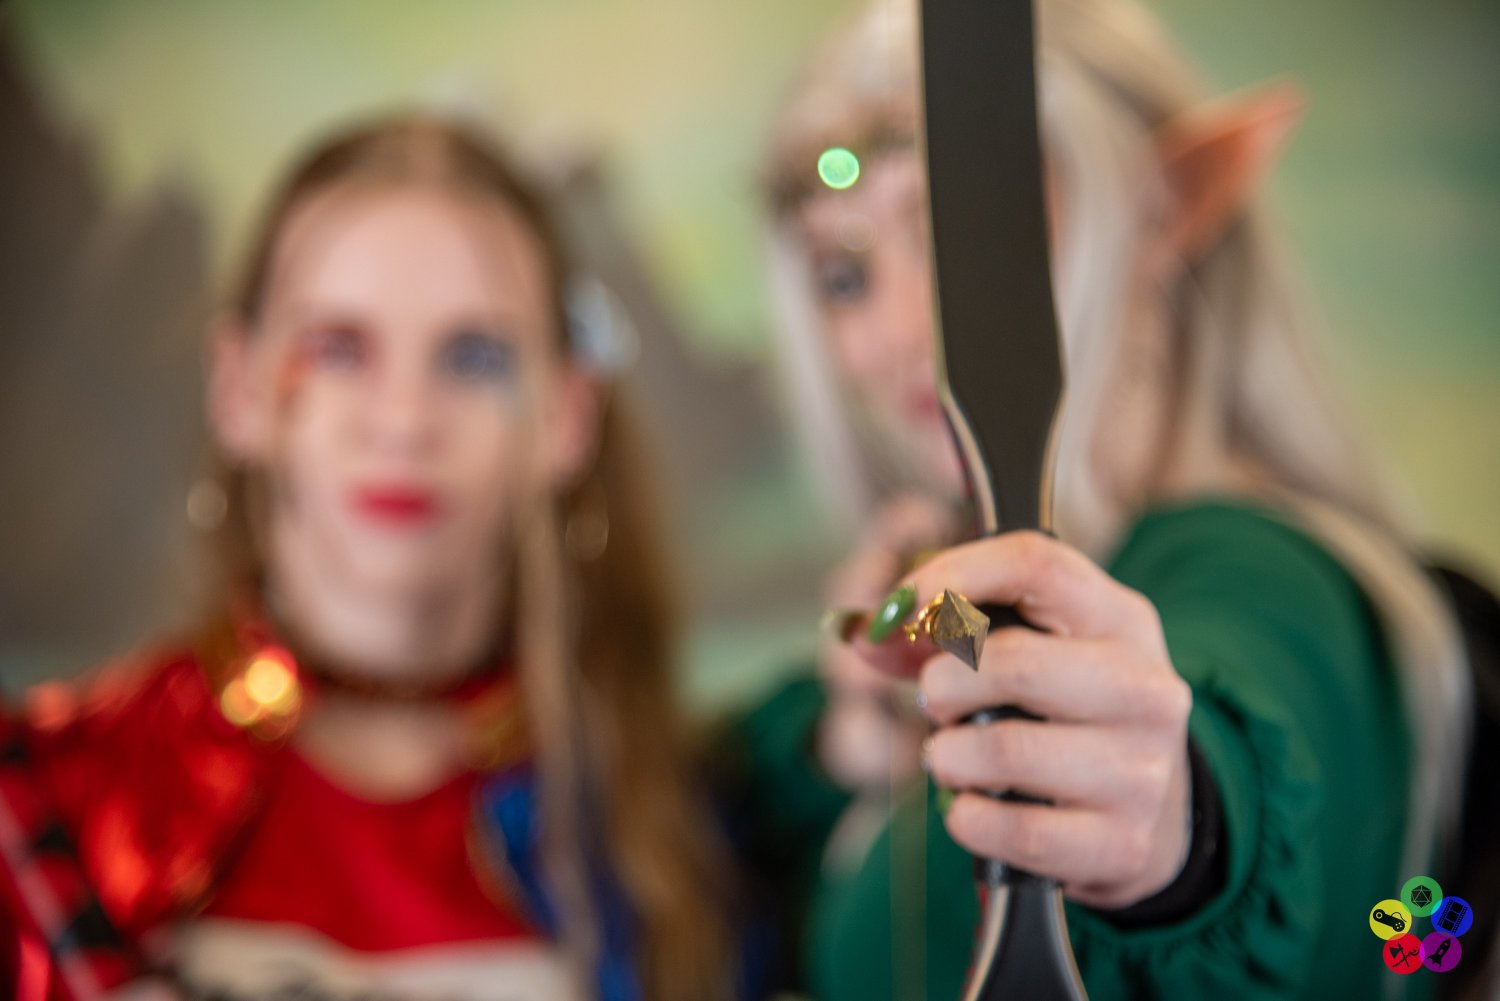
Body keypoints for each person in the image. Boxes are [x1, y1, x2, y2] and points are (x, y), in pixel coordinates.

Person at [732, 0, 1476, 997]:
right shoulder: (1025, 591)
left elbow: (1221, 738)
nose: (900, 327)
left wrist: (1178, 833)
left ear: (1160, 211)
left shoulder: (1258, 573)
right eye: (845, 274)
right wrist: (859, 730)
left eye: (958, 233)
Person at [0, 115, 736, 1001]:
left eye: (474, 357)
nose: (403, 419)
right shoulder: (47, 797)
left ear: (567, 415)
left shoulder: (682, 836)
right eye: (338, 349)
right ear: (238, 387)